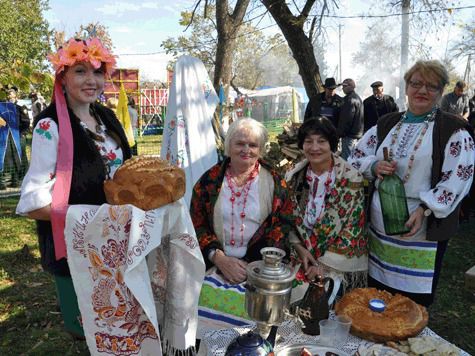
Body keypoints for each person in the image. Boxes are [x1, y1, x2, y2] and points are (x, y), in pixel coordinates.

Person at [15, 37, 131, 338]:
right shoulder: (48, 126)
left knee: (120, 324)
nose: (91, 80)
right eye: (80, 71)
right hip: (79, 248)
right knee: (92, 332)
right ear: (62, 78)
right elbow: (31, 202)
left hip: (117, 241)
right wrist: (87, 216)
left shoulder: (105, 117)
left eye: (97, 71)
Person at [348, 60, 475, 306]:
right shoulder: (387, 124)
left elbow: (459, 177)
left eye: (432, 86)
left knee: (410, 304)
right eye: (416, 83)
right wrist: (374, 166)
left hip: (422, 226)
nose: (422, 91)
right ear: (406, 87)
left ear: (440, 92)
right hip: (381, 226)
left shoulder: (453, 129)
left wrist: (425, 209)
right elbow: (355, 158)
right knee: (377, 296)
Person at [190, 117, 296, 334]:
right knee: (194, 299)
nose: (246, 149)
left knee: (261, 312)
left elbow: (281, 227)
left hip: (259, 266)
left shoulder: (275, 182)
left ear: (261, 149)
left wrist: (254, 266)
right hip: (214, 262)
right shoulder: (209, 181)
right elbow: (196, 223)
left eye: (253, 145)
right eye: (240, 143)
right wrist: (218, 258)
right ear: (228, 146)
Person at [285, 117, 367, 303]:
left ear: (332, 144)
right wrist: (298, 248)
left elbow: (351, 228)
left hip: (335, 261)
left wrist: (321, 265)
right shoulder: (294, 177)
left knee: (317, 295)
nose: (315, 148)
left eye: (321, 141)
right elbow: (286, 219)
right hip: (299, 251)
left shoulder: (351, 179)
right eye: (308, 141)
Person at [0, 87, 31, 189]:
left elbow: (26, 122)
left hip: (19, 136)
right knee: (9, 158)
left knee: (21, 158)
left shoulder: (20, 107)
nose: (9, 96)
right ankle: (11, 180)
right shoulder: (4, 108)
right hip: (8, 137)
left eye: (11, 94)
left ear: (15, 96)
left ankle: (22, 178)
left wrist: (22, 133)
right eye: (8, 95)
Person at [338, 78, 364, 160]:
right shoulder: (357, 98)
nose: (342, 88)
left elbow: (346, 120)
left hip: (349, 136)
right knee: (353, 159)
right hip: (357, 135)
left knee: (347, 161)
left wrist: (340, 133)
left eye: (344, 86)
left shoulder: (349, 100)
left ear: (350, 86)